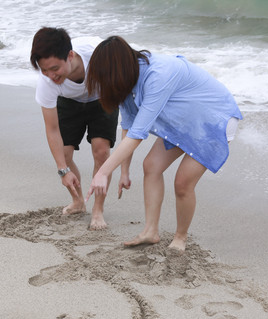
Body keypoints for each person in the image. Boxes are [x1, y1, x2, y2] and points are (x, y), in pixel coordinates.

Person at [85, 36, 242, 251]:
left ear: (117, 71)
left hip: (213, 118)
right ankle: (151, 231)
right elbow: (129, 127)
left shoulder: (158, 74)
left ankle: (180, 237)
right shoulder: (124, 83)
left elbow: (137, 135)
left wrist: (102, 172)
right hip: (181, 120)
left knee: (183, 182)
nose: (104, 85)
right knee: (151, 166)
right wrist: (124, 171)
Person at [30, 27, 119, 230]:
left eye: (54, 68)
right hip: (69, 102)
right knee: (64, 154)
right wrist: (63, 171)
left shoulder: (98, 54)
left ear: (70, 55)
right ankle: (78, 202)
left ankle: (98, 209)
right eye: (44, 70)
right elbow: (52, 129)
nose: (50, 75)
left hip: (102, 97)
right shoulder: (47, 82)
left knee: (101, 151)